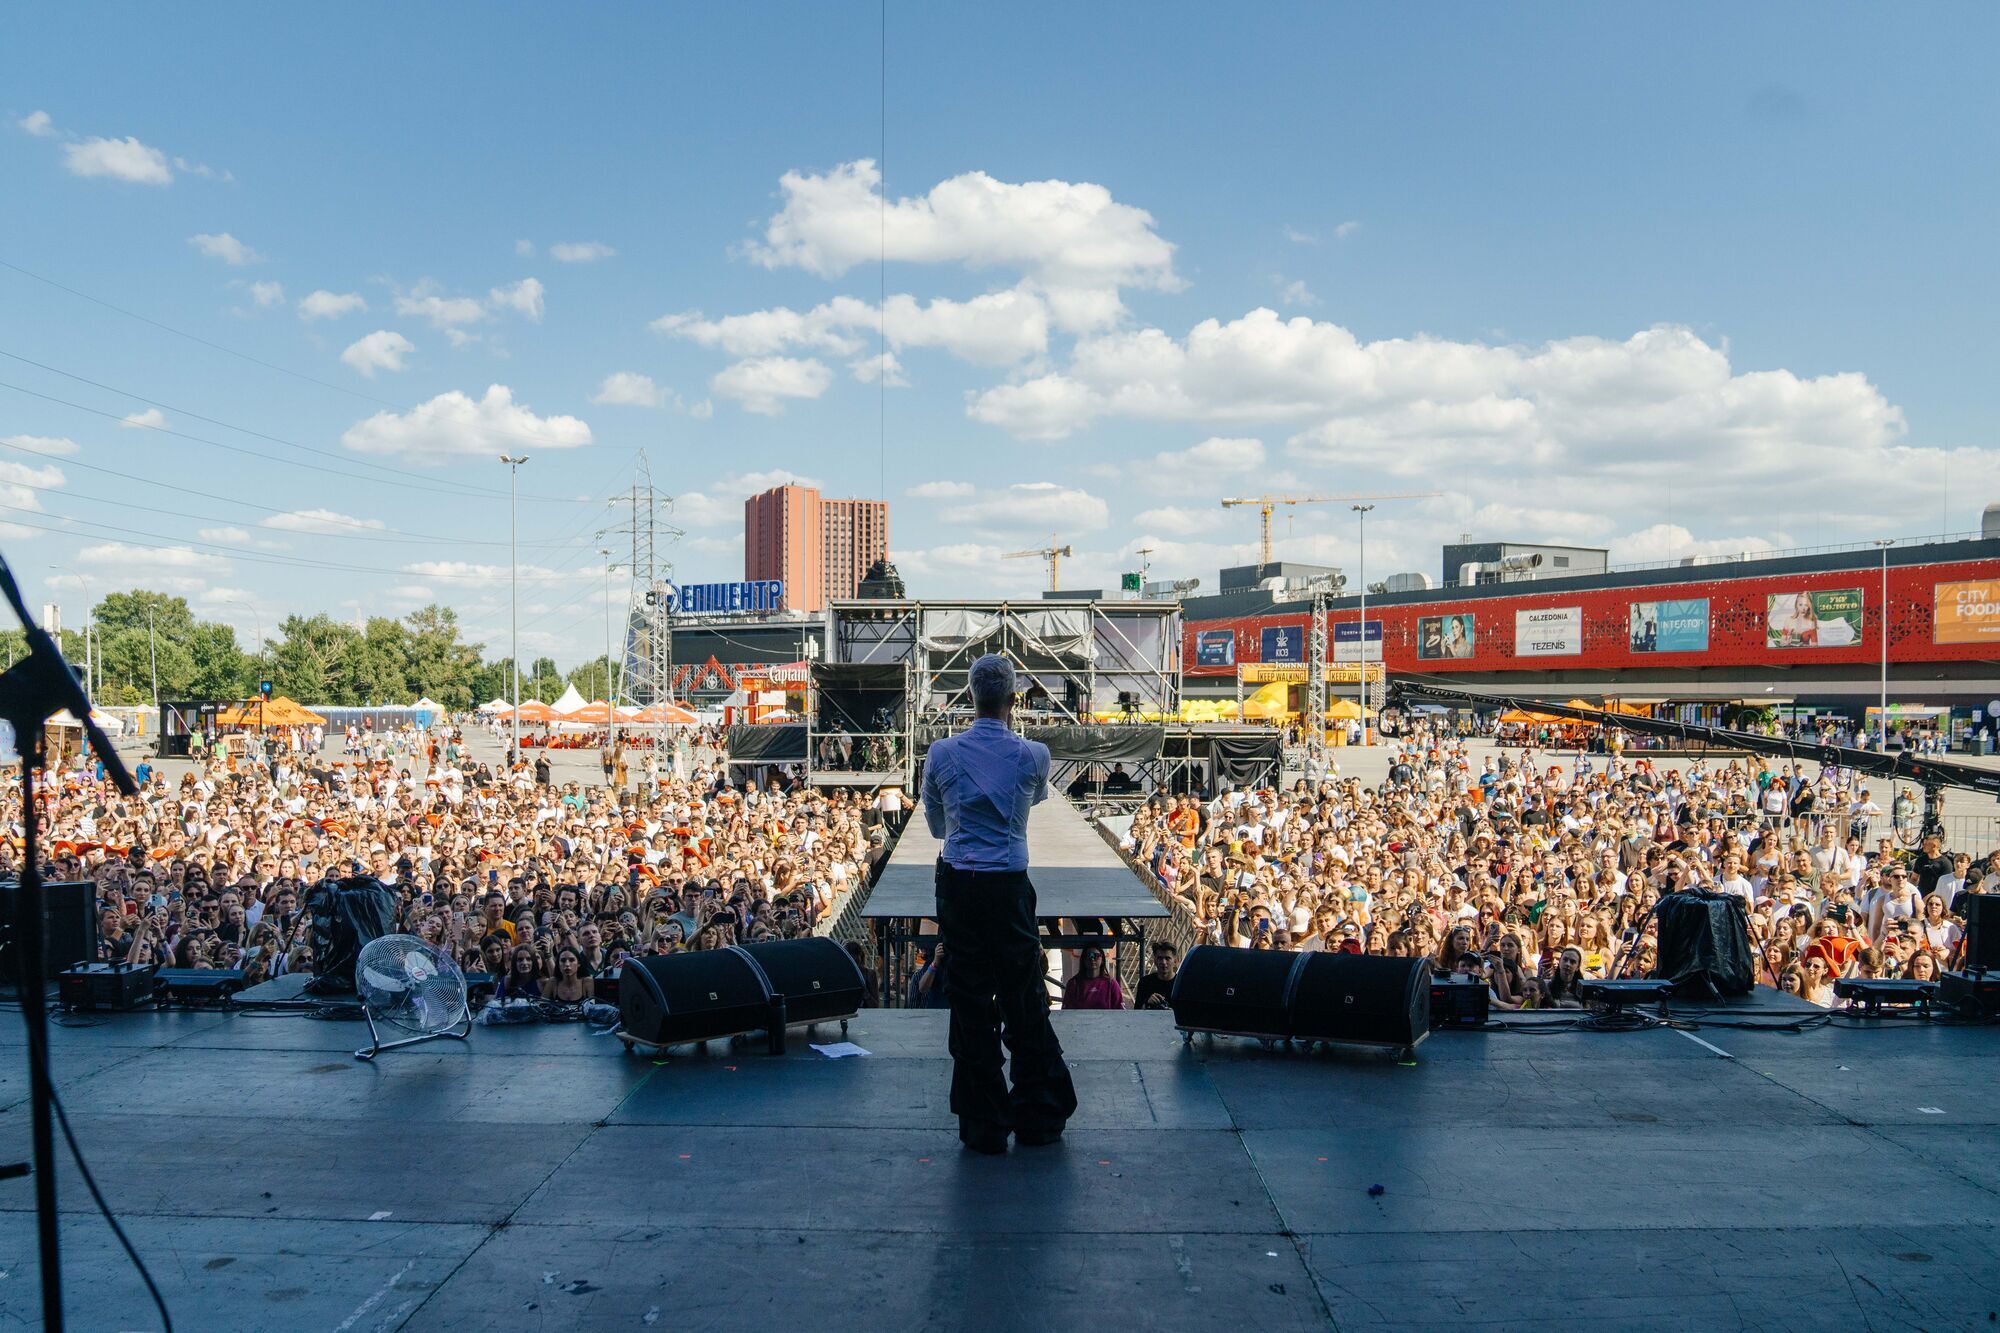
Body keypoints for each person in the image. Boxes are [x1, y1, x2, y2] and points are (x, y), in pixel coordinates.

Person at [922, 653, 1077, 1154]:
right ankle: (1039, 1116)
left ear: (970, 696)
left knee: (969, 998)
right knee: (1023, 994)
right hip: (1009, 885)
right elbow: (1028, 805)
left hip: (960, 886)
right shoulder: (1035, 755)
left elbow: (937, 825)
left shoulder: (942, 754)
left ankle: (984, 1124)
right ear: (1015, 700)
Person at [1132, 942, 1178, 1011]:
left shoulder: (1182, 984)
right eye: (1160, 958)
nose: (1163, 962)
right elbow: (1136, 1012)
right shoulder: (1145, 982)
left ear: (1175, 961)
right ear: (1155, 961)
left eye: (1167, 958)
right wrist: (1147, 1004)